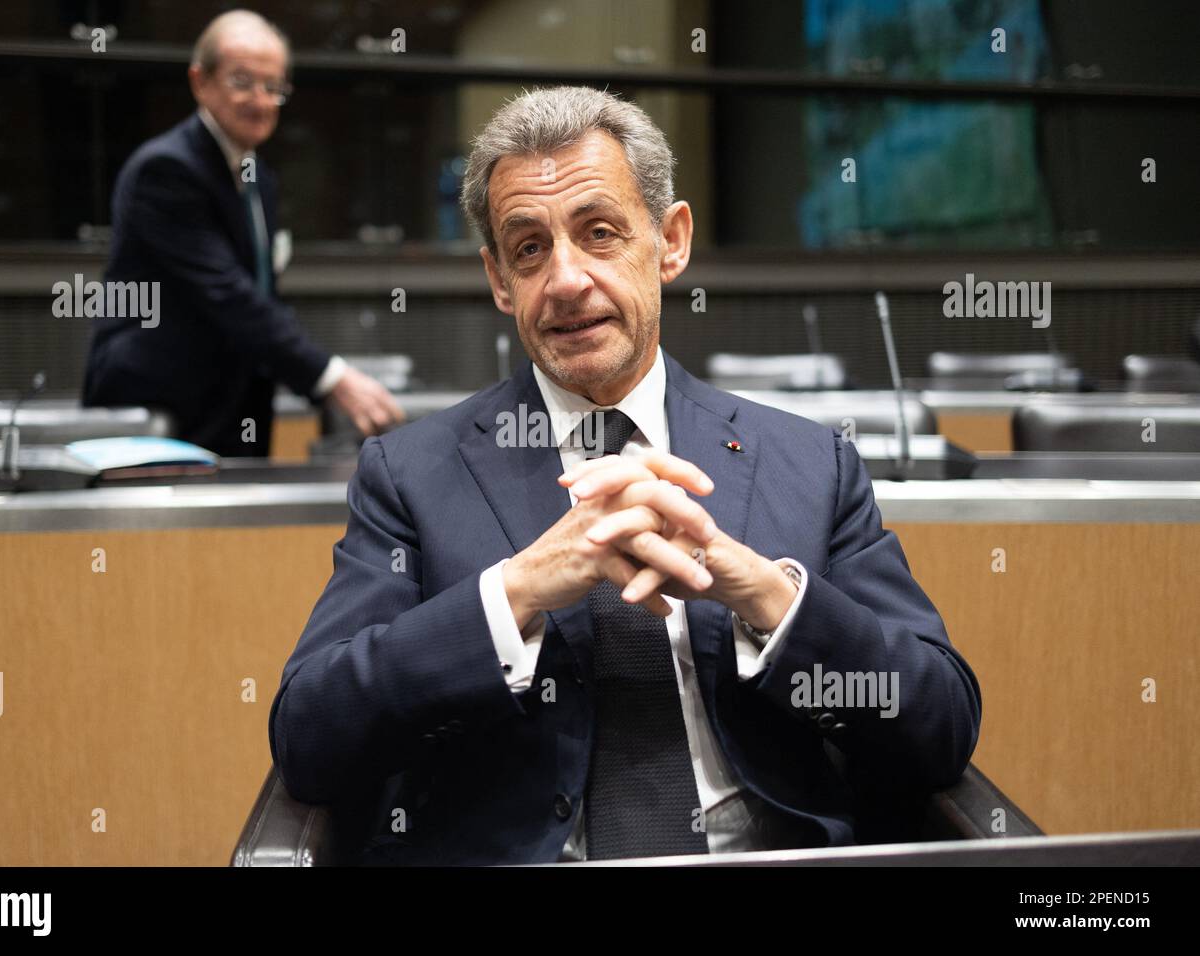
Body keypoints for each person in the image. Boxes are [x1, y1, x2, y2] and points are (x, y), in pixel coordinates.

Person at [270, 86, 981, 864]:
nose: (567, 280)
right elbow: (311, 736)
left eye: (599, 232)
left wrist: (762, 592)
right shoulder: (408, 474)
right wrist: (518, 591)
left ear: (670, 241)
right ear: (500, 280)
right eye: (530, 248)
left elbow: (938, 728)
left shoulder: (810, 462)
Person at [81, 9, 402, 456]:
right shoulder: (166, 170)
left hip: (235, 409)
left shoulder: (258, 179)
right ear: (201, 82)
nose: (260, 99)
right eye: (242, 81)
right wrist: (331, 377)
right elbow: (227, 295)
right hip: (160, 411)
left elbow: (262, 298)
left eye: (273, 87)